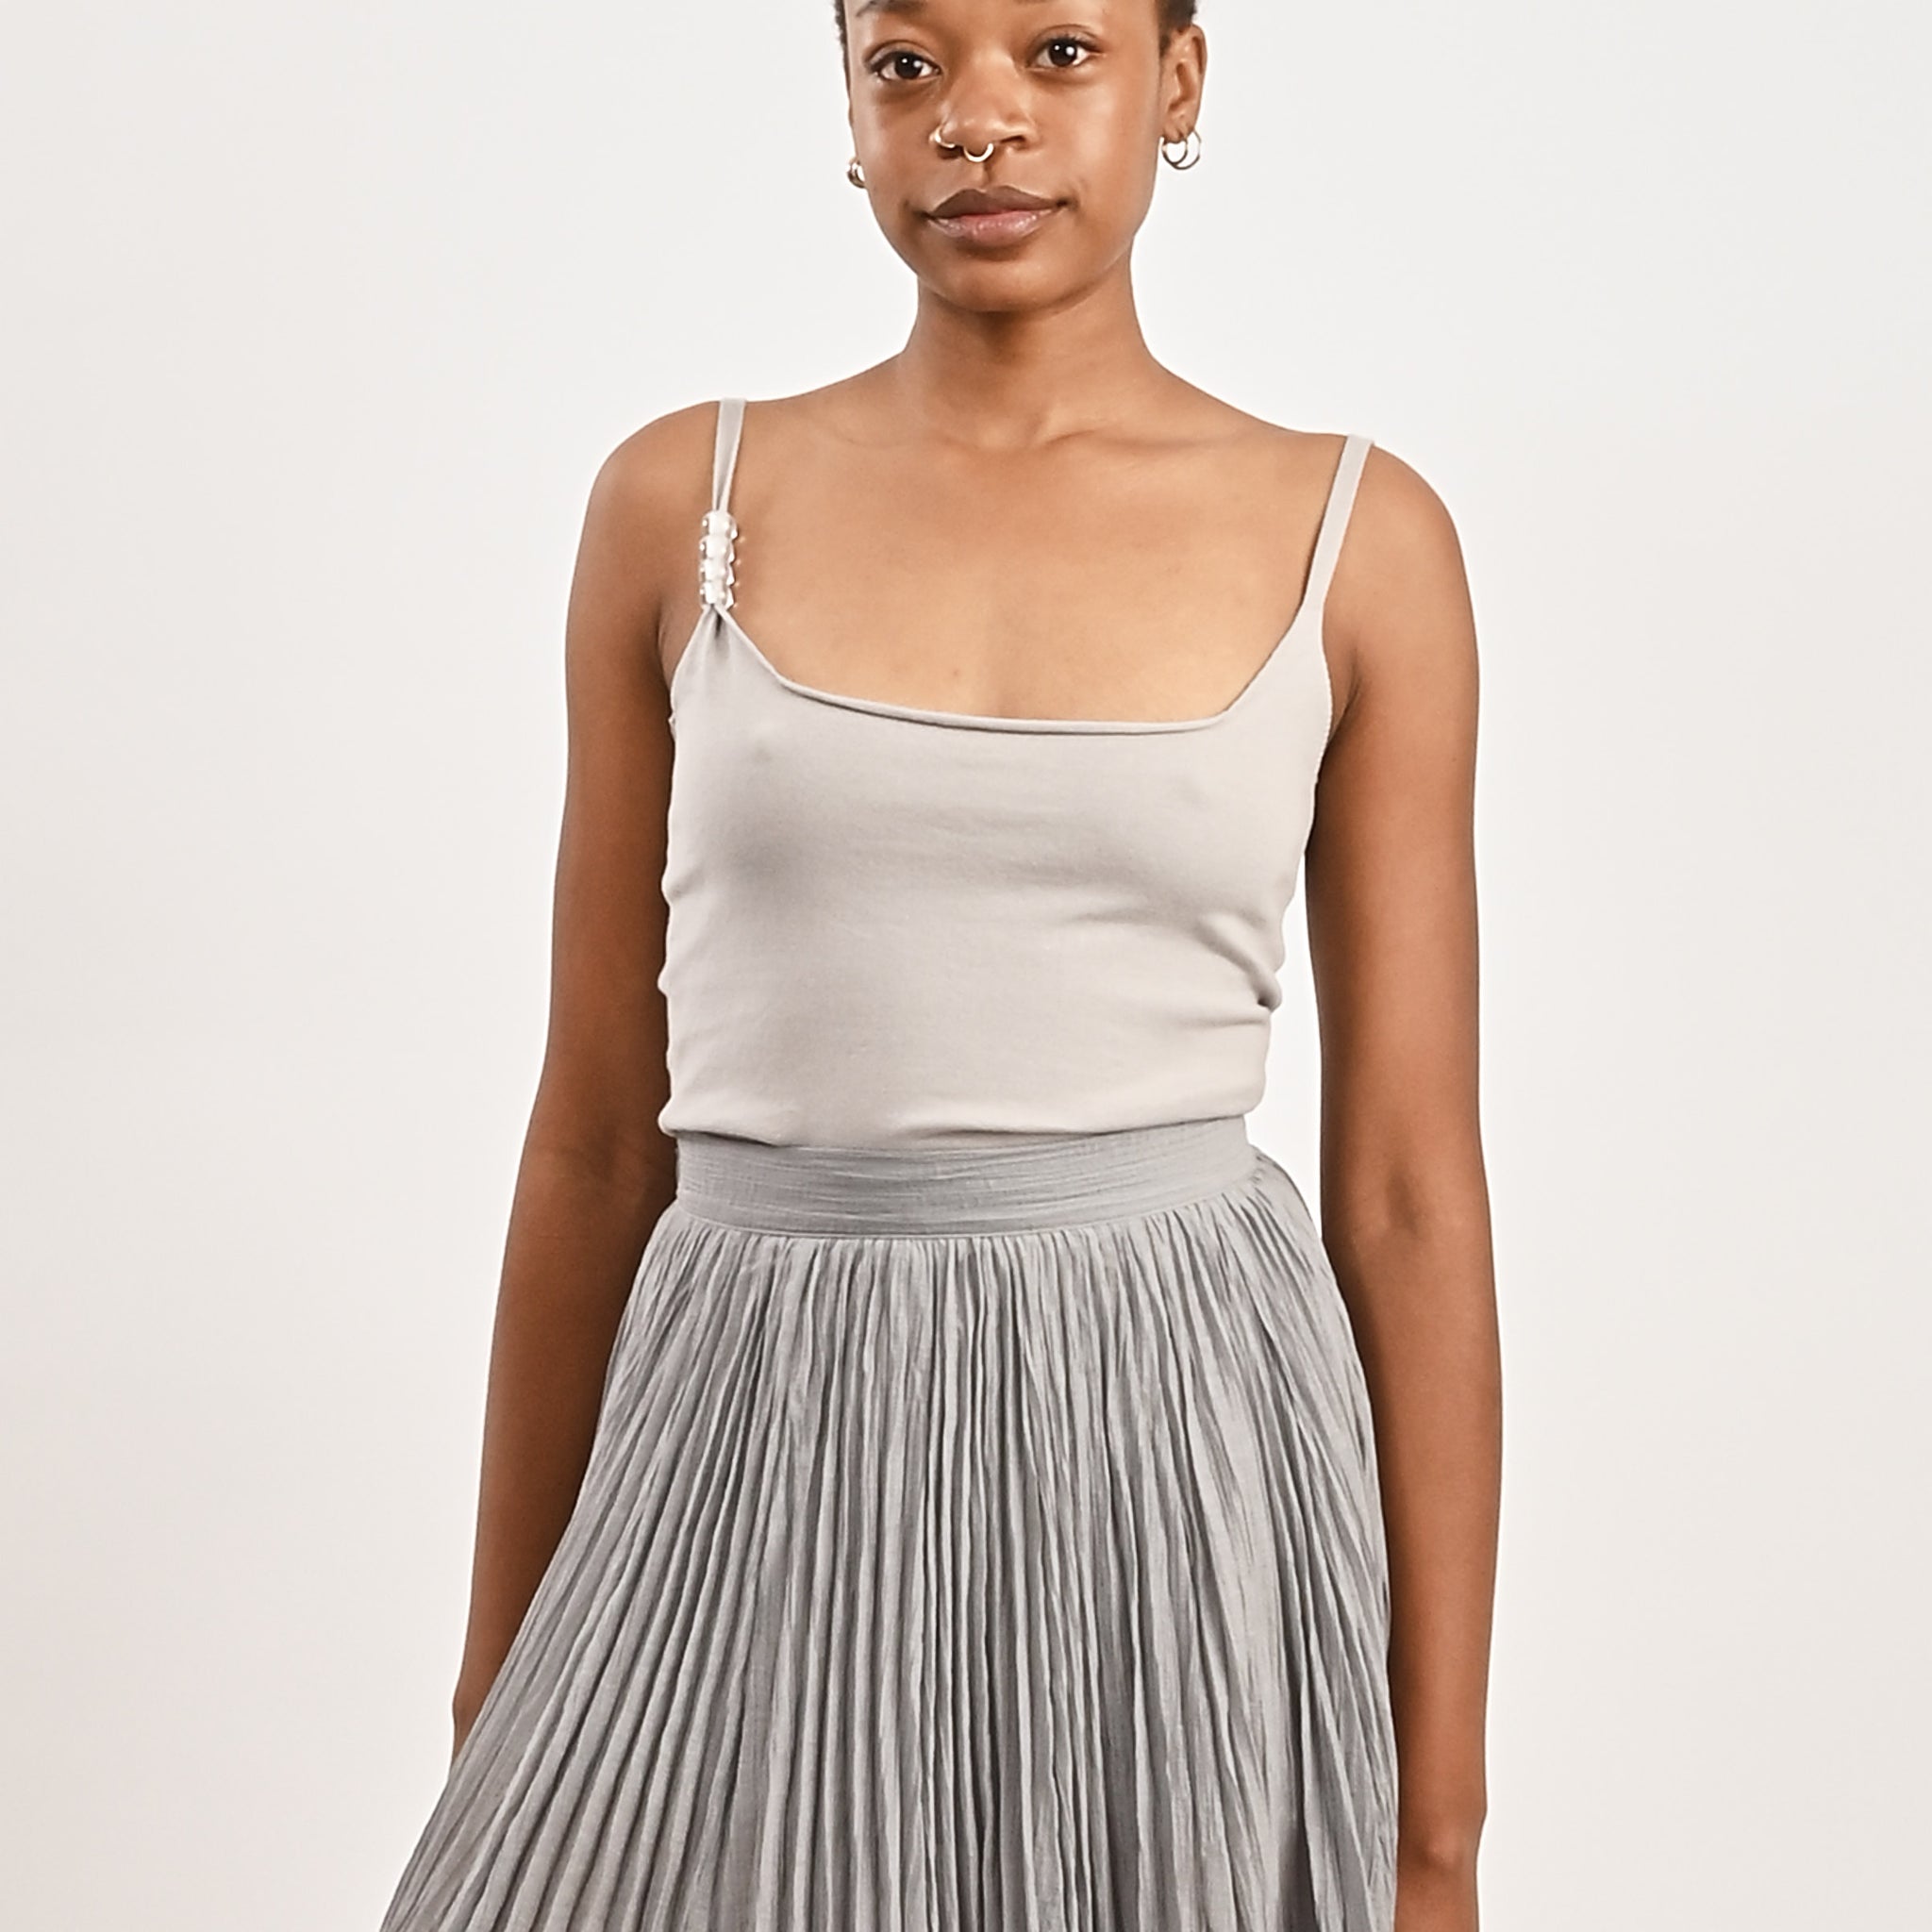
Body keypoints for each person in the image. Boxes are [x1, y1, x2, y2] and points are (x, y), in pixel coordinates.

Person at [376, 1, 1500, 1927]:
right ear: (848, 100)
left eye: (1057, 50)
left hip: (1174, 1441)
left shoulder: (1359, 539)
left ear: (1178, 79)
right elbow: (595, 1139)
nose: (978, 119)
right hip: (748, 1428)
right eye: (908, 63)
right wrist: (497, 1681)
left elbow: (1405, 1191)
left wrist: (1437, 1825)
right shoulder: (680, 505)